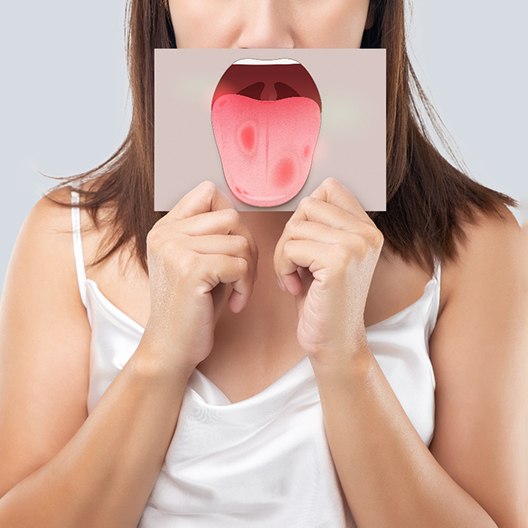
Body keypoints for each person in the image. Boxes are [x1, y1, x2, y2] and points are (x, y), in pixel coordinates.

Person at [0, 0, 526, 526]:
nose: (266, 34)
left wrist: (346, 359)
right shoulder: (65, 238)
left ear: (372, 9)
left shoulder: (476, 246)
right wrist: (160, 357)